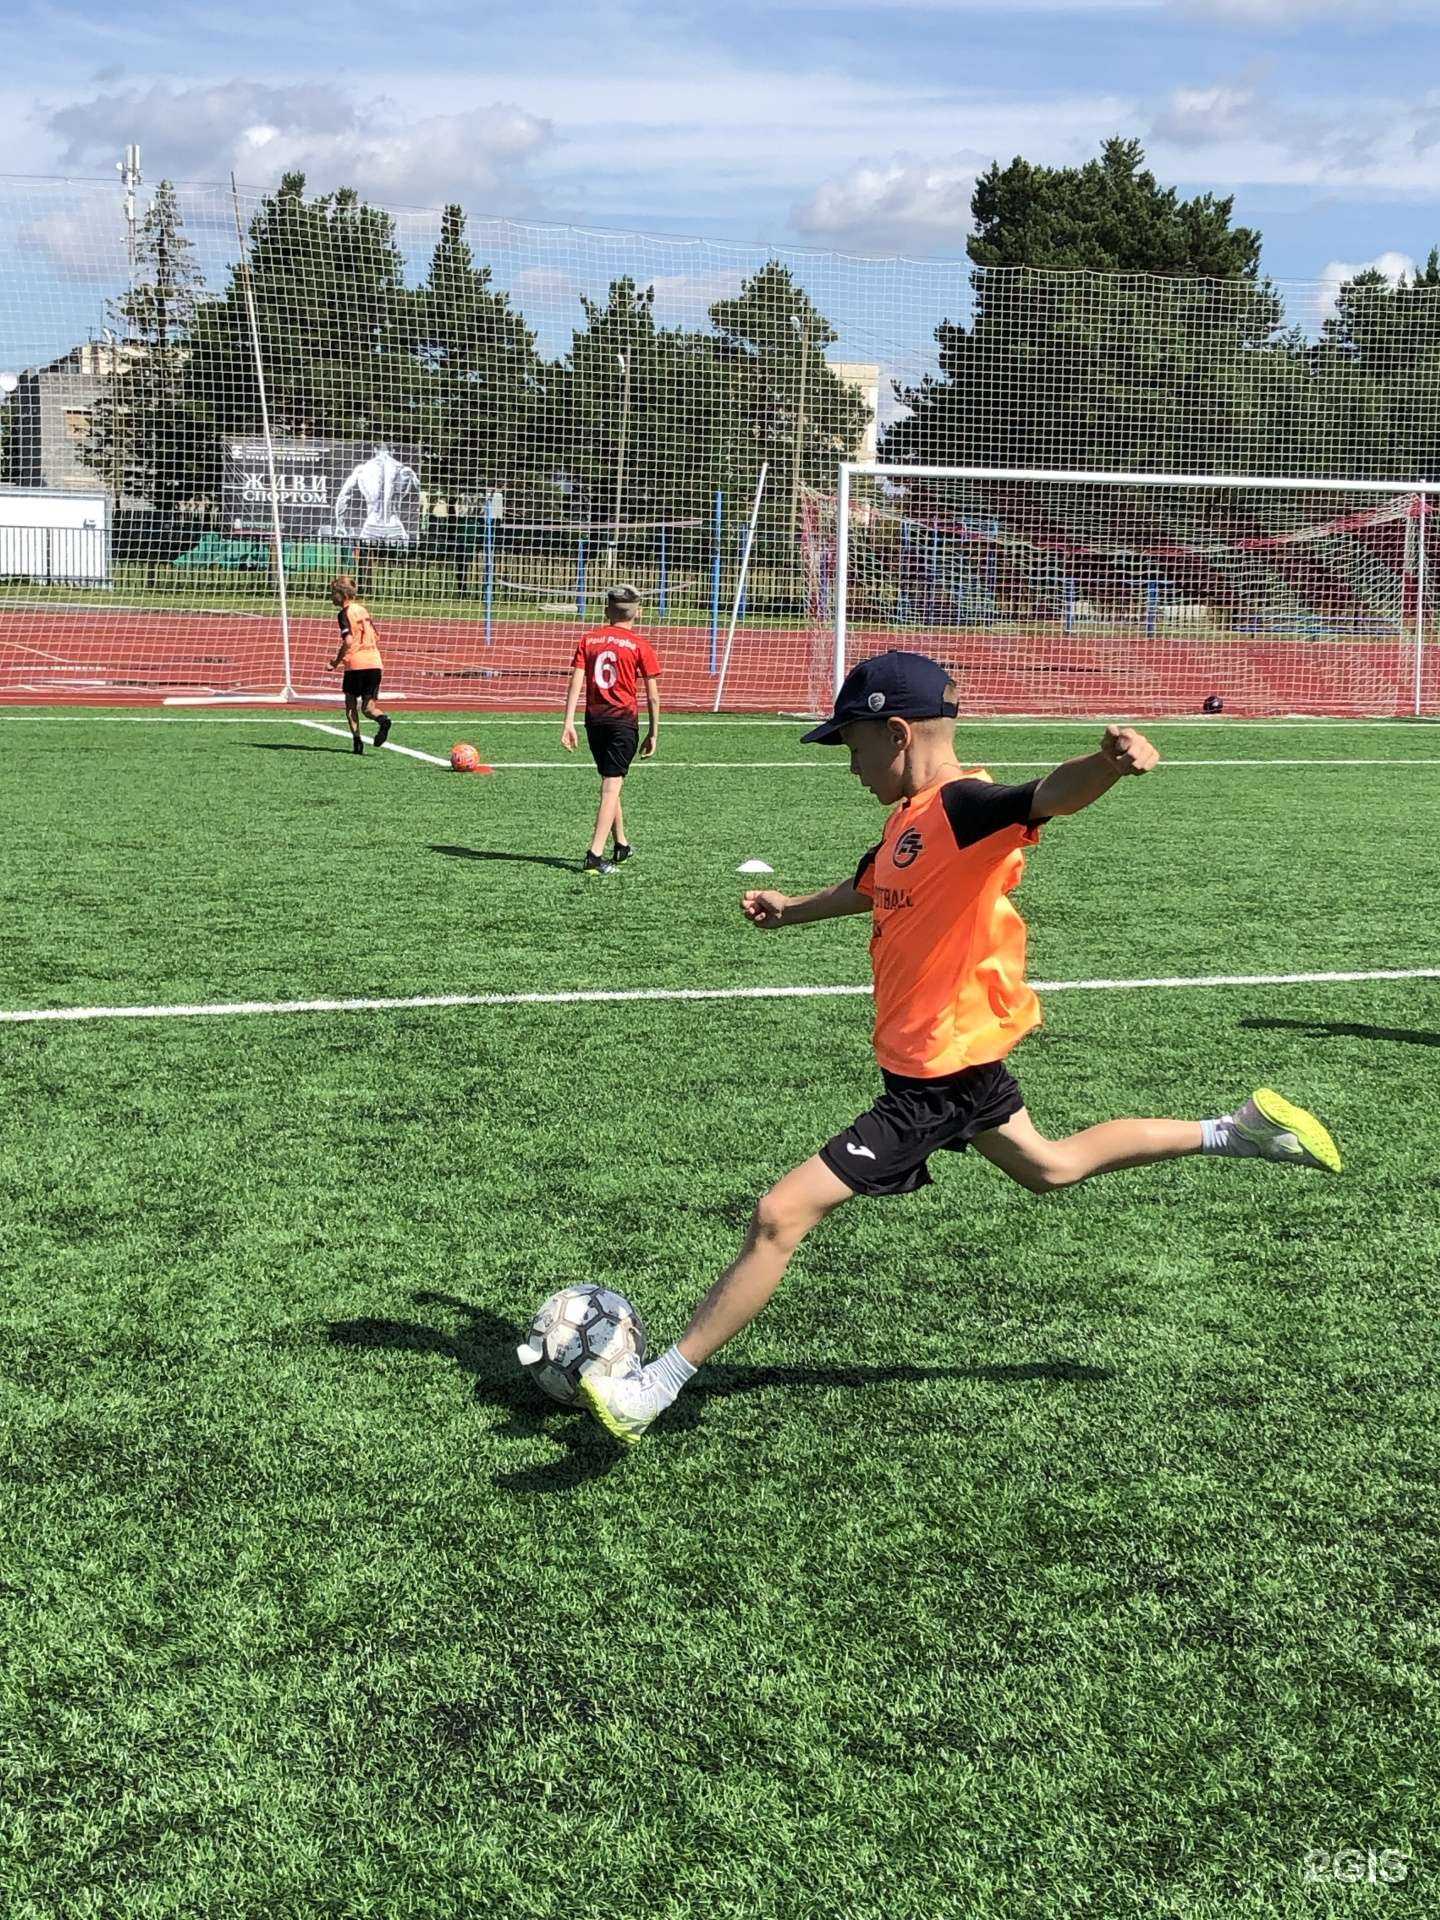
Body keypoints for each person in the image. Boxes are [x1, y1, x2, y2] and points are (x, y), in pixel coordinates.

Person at [578, 648, 1343, 1446]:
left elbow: (1044, 796)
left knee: (780, 1214)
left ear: (898, 732)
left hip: (933, 1078)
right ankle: (1239, 1128)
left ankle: (653, 1389)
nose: (850, 765)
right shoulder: (907, 819)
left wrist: (1108, 766)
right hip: (958, 1063)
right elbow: (871, 886)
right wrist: (788, 908)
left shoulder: (964, 805)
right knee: (1050, 1168)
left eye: (852, 744)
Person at [561, 585, 661, 873]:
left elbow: (575, 681)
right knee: (611, 787)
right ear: (638, 613)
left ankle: (622, 845)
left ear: (606, 610)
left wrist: (568, 721)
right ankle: (594, 855)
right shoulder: (640, 645)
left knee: (610, 781)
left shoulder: (589, 640)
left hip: (594, 721)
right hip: (622, 721)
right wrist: (654, 732)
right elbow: (653, 695)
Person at [327, 575, 392, 756]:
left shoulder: (344, 613)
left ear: (342, 594)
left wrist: (336, 662)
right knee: (368, 708)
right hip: (375, 663)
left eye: (333, 593)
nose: (331, 597)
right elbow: (375, 635)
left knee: (350, 705)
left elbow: (348, 640)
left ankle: (357, 741)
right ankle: (383, 720)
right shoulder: (363, 611)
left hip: (356, 664)